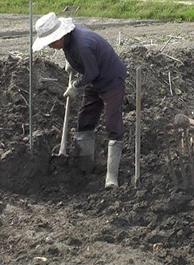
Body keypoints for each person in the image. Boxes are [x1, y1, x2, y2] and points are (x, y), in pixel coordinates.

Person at [32, 12, 127, 189]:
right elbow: (86, 64)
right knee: (85, 119)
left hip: (111, 80)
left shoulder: (81, 44)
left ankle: (111, 177)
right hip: (95, 80)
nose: (51, 46)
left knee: (112, 123)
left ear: (60, 35)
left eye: (51, 42)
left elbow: (92, 73)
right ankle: (85, 167)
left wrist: (76, 85)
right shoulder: (69, 41)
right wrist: (73, 63)